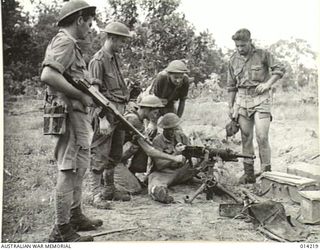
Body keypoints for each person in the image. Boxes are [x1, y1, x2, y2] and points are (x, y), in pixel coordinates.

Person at [40, 0, 101, 242]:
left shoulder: (72, 46)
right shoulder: (65, 41)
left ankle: (75, 216)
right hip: (67, 115)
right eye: (89, 22)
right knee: (67, 170)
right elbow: (48, 74)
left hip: (77, 117)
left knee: (79, 167)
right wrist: (80, 95)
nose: (90, 26)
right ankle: (61, 230)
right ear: (79, 20)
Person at [227, 28, 285, 184]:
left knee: (262, 137)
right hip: (242, 101)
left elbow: (280, 69)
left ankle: (267, 175)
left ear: (250, 42)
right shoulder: (233, 60)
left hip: (261, 100)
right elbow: (231, 86)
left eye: (243, 46)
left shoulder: (262, 54)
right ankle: (249, 174)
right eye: (237, 46)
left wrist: (267, 84)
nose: (240, 49)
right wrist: (230, 106)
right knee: (246, 138)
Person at [87, 21, 133, 208]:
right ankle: (95, 195)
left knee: (115, 153)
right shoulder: (97, 61)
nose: (123, 45)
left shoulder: (114, 58)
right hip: (105, 113)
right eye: (121, 41)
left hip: (119, 112)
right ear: (112, 38)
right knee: (100, 153)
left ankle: (109, 189)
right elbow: (94, 93)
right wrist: (102, 117)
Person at [148, 113, 197, 203]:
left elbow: (191, 152)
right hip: (165, 173)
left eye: (174, 129)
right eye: (169, 130)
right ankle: (161, 195)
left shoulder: (181, 136)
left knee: (202, 160)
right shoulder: (157, 141)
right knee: (155, 184)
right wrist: (176, 153)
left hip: (181, 170)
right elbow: (159, 165)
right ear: (163, 129)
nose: (172, 132)